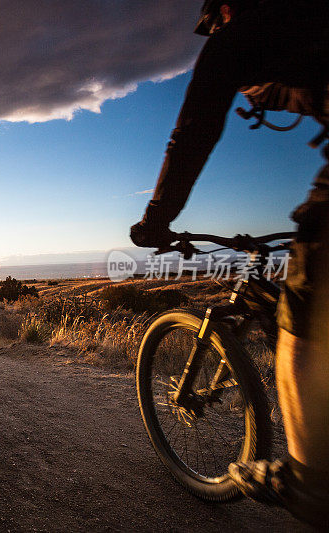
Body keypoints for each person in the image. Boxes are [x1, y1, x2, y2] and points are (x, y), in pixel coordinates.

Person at [129, 0, 329, 526]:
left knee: (305, 314)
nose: (214, 31)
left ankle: (310, 481)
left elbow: (193, 131)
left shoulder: (245, 31)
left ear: (224, 8)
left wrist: (156, 220)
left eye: (213, 23)